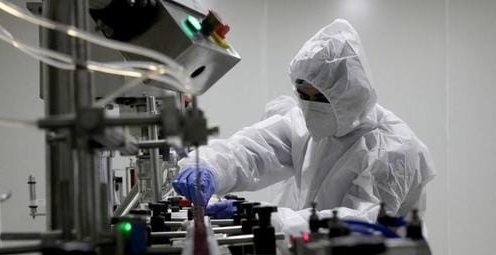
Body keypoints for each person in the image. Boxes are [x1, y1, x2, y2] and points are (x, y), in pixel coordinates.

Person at [172, 19, 436, 232]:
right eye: (304, 96)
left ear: (349, 92)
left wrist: (262, 219)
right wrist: (208, 167)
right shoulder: (305, 123)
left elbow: (357, 224)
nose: (310, 106)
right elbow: (252, 151)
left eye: (319, 97)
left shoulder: (394, 149)